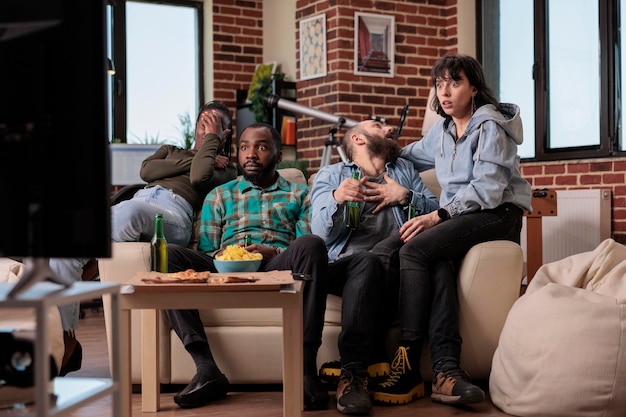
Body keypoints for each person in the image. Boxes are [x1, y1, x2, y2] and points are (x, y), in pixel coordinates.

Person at [372, 53, 532, 407]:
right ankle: (446, 371)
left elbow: (487, 191)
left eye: (454, 83)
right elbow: (408, 155)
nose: (444, 92)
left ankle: (408, 360)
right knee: (434, 261)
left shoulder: (490, 126)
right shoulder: (441, 132)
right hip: (462, 218)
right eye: (439, 84)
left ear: (473, 87)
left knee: (414, 248)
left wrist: (436, 216)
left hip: (498, 213)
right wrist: (377, 145)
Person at [49, 101, 237, 376]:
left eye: (214, 123)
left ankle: (90, 268)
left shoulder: (226, 170)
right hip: (138, 203)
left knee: (129, 213)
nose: (206, 127)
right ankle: (67, 343)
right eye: (203, 121)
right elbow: (147, 171)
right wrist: (197, 155)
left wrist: (209, 144)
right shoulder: (173, 149)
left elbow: (198, 178)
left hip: (173, 213)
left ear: (226, 133)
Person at [162, 123, 332, 412]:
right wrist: (228, 254)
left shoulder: (300, 194)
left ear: (278, 156)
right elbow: (206, 249)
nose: (250, 154)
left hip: (276, 264)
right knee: (170, 256)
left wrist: (272, 252)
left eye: (261, 147)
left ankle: (304, 369)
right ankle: (206, 368)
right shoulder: (219, 195)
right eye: (244, 147)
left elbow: (301, 243)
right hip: (226, 265)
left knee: (312, 244)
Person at [310, 118, 439, 414]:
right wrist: (336, 198)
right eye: (378, 125)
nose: (390, 128)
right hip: (342, 268)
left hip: (395, 268)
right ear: (357, 138)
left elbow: (438, 213)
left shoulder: (405, 172)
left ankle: (354, 369)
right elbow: (319, 233)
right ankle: (354, 375)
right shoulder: (332, 175)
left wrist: (405, 195)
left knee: (381, 261)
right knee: (367, 261)